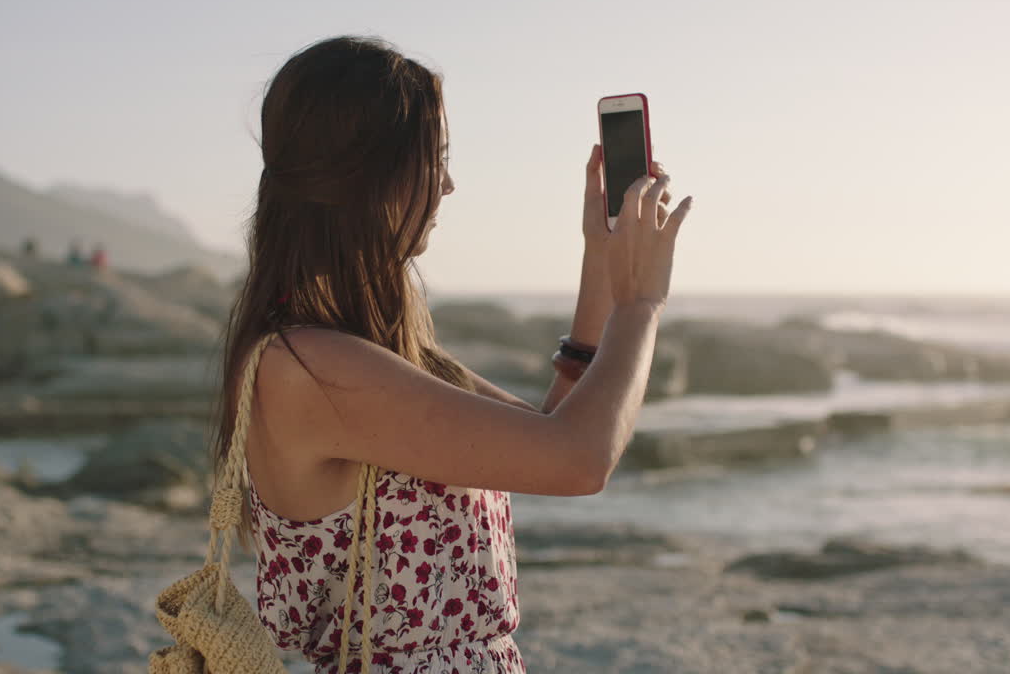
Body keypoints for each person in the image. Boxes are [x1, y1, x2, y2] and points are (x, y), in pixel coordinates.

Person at [211, 35, 693, 674]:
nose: (448, 184)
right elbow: (582, 460)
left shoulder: (367, 355)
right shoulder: (311, 370)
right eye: (432, 160)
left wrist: (601, 259)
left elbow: (553, 430)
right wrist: (641, 304)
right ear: (368, 173)